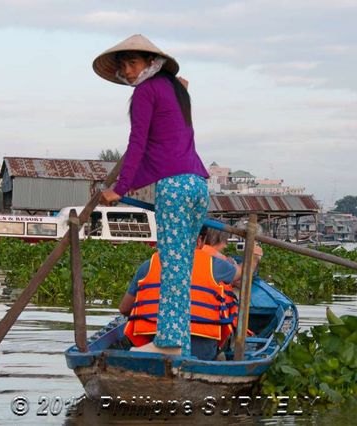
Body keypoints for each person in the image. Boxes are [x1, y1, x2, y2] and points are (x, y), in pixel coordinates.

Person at [94, 34, 210, 356]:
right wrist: (179, 87)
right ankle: (182, 345)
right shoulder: (175, 89)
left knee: (172, 268)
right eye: (124, 66)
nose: (129, 72)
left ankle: (169, 344)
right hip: (198, 185)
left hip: (174, 188)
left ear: (149, 63)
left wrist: (118, 189)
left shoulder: (147, 91)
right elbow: (169, 136)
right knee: (183, 268)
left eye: (133, 63)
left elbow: (138, 144)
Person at [119, 230, 238, 360]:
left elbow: (124, 309)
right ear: (199, 241)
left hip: (151, 344)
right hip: (201, 351)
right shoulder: (215, 264)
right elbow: (241, 273)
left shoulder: (149, 264)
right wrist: (254, 256)